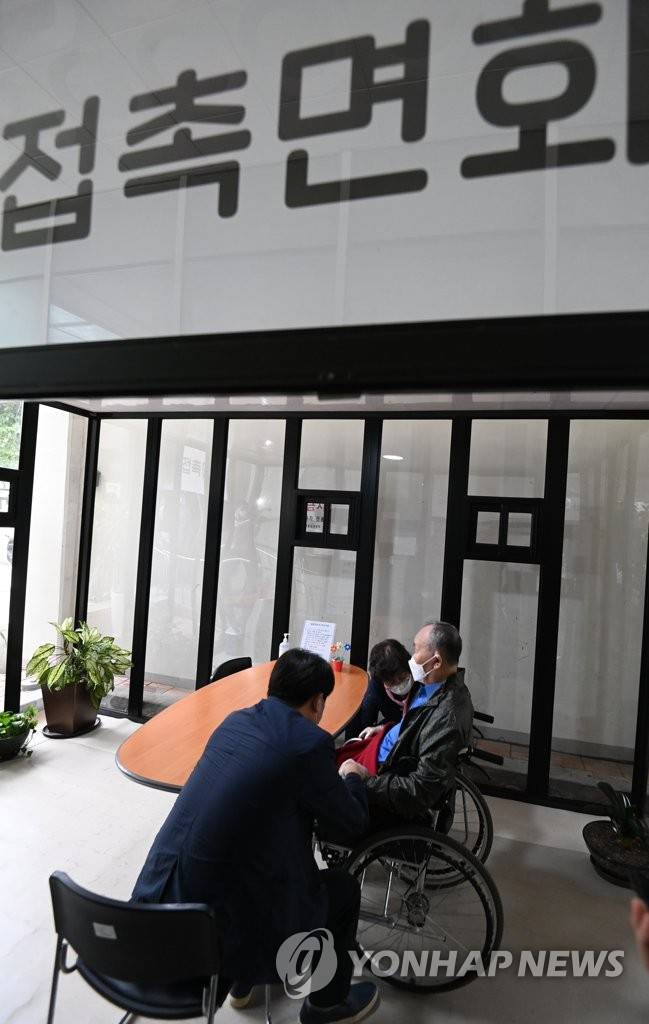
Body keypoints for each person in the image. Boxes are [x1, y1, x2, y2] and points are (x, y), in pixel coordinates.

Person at [131, 648, 379, 1024]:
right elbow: (350, 823)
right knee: (342, 890)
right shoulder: (309, 745)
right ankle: (326, 1006)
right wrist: (352, 778)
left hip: (158, 902)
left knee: (256, 839)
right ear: (318, 701)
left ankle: (242, 985)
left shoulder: (234, 721)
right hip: (218, 931)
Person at [336, 621, 473, 824]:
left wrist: (365, 779)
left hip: (385, 767)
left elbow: (420, 790)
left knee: (322, 776)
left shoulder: (446, 717)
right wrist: (384, 728)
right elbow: (413, 724)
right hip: (387, 743)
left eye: (416, 649)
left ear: (436, 661)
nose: (412, 658)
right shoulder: (433, 685)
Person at [350, 638, 413, 734]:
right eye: (391, 682)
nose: (399, 683)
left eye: (402, 677)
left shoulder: (423, 677)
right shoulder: (376, 688)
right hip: (393, 724)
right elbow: (365, 723)